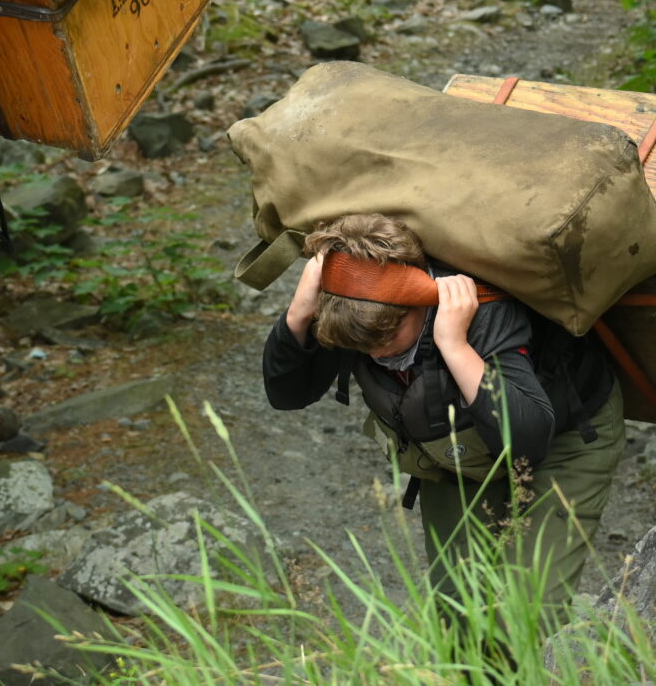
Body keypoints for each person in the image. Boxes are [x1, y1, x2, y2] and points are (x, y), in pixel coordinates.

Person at [260, 213, 625, 614]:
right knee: (457, 607)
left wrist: (455, 345)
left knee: (528, 612)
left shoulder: (481, 307)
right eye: (366, 349)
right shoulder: (351, 309)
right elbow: (287, 394)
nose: (380, 355)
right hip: (454, 450)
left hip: (564, 438)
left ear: (418, 302)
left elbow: (530, 441)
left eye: (389, 339)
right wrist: (299, 312)